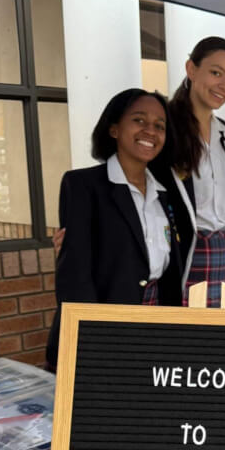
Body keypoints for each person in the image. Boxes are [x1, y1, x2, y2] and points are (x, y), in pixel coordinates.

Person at [45, 88, 186, 370]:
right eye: (139, 120)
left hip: (157, 332)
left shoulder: (166, 193)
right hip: (103, 339)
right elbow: (76, 278)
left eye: (159, 126)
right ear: (113, 129)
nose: (150, 131)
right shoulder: (83, 186)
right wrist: (96, 346)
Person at [153, 36, 225, 307]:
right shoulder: (164, 128)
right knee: (187, 332)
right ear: (191, 69)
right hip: (187, 253)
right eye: (216, 73)